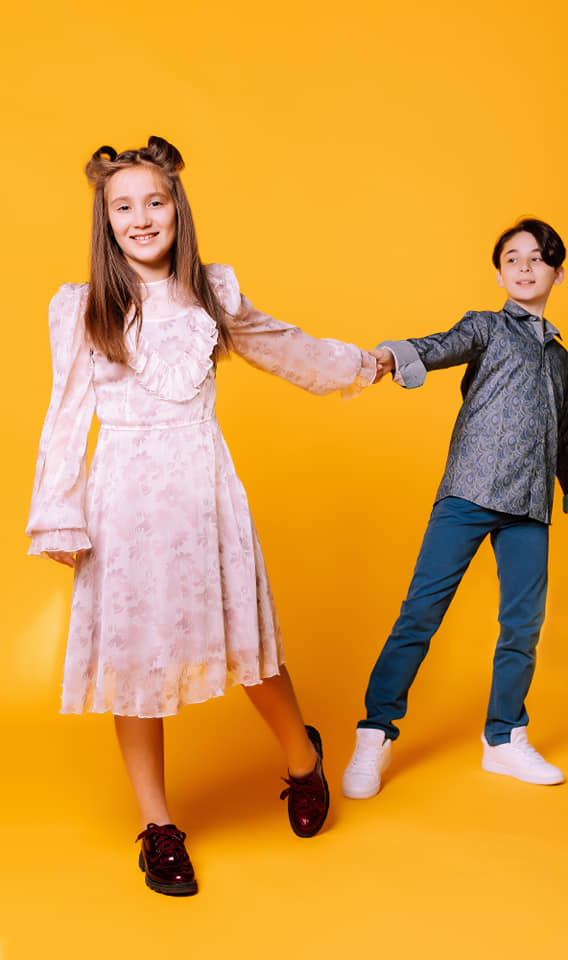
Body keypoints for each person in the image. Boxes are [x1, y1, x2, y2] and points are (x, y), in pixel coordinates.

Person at [26, 135, 375, 896]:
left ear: (177, 209)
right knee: (130, 666)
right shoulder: (83, 306)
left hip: (203, 490)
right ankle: (158, 827)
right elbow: (65, 413)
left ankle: (303, 759)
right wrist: (57, 512)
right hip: (122, 501)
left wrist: (361, 364)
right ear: (106, 220)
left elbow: (281, 345)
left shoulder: (212, 292)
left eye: (155, 202)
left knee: (245, 638)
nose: (141, 219)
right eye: (124, 207)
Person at [342, 218, 568, 799]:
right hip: (469, 491)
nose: (524, 267)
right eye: (512, 258)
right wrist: (391, 356)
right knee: (420, 613)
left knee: (523, 625)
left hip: (529, 506)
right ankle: (375, 733)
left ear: (558, 273)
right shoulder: (486, 327)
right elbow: (441, 345)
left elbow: (565, 438)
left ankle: (504, 738)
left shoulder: (561, 361)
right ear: (499, 273)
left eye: (537, 258)